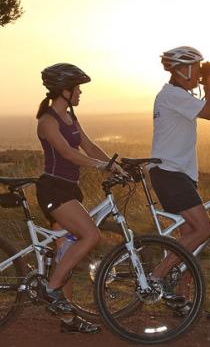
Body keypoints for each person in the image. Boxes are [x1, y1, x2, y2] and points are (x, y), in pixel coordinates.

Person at [35, 63, 122, 334]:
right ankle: (50, 289)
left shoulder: (71, 119)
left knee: (66, 255)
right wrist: (100, 167)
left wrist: (114, 164)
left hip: (70, 190)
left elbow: (89, 146)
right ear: (65, 91)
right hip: (54, 190)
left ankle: (68, 318)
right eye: (78, 88)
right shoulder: (47, 121)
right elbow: (68, 154)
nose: (81, 93)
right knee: (91, 236)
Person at [148, 46, 210, 298]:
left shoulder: (176, 95)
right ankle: (156, 276)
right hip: (170, 173)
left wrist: (208, 79)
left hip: (177, 173)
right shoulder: (172, 95)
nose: (200, 74)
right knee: (203, 230)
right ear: (182, 70)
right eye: (198, 69)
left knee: (190, 237)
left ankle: (181, 297)